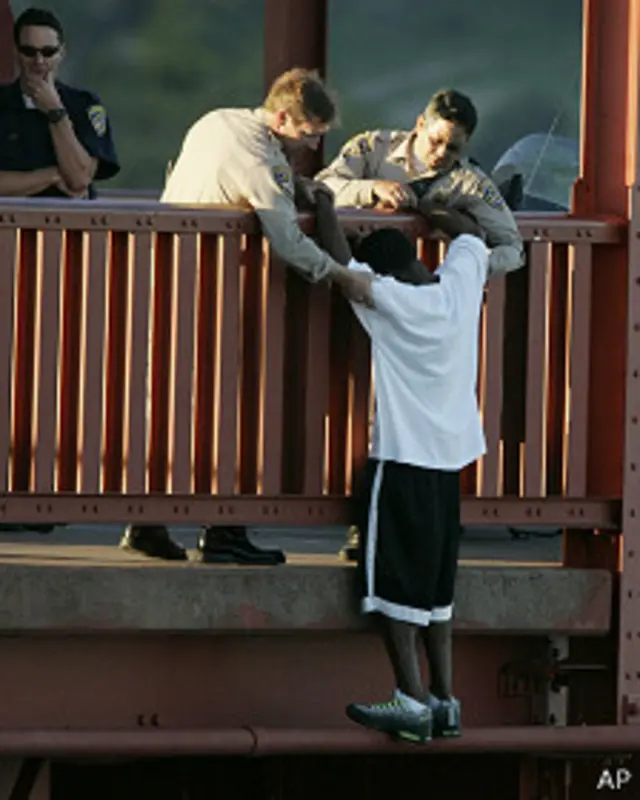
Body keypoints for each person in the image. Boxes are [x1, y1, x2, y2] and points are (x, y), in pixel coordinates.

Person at [120, 67, 372, 566]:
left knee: (172, 405)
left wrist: (293, 184)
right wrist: (343, 276)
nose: (312, 145)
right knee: (232, 407)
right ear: (281, 119)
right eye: (308, 134)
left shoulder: (217, 121)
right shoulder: (261, 158)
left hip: (167, 281)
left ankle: (146, 521)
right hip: (217, 294)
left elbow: (240, 178)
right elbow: (287, 239)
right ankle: (225, 531)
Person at [316, 88, 523, 562]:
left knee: (386, 419)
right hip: (358, 292)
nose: (442, 153)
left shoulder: (471, 183)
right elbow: (324, 184)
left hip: (402, 304)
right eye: (436, 141)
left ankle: (366, 528)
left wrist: (463, 273)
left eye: (454, 147)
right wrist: (371, 190)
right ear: (418, 125)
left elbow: (512, 248)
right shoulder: (373, 148)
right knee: (347, 411)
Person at [313, 188, 489, 743]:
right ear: (417, 259)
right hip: (450, 460)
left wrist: (324, 204)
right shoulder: (459, 288)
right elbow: (471, 236)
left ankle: (410, 700)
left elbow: (341, 264)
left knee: (393, 586)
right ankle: (445, 700)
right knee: (437, 591)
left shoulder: (389, 302)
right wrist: (431, 209)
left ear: (384, 272)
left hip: (403, 456)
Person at [0, 7, 119, 198]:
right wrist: (51, 176)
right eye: (29, 51)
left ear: (62, 53)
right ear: (16, 51)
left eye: (48, 52)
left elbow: (80, 179)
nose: (39, 61)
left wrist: (55, 111)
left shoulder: (85, 105)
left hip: (68, 217)